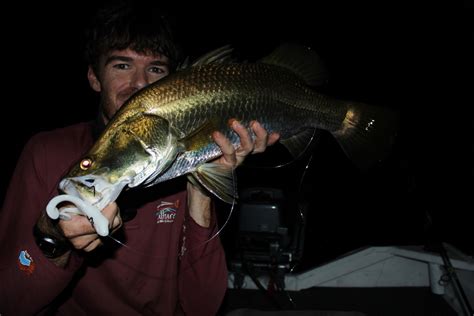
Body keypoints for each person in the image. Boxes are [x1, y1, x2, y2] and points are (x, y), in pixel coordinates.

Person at [0, 2, 279, 315]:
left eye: (156, 69)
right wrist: (53, 237)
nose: (140, 84)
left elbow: (201, 307)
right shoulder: (46, 152)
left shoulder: (183, 161)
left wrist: (201, 186)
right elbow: (11, 300)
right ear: (94, 77)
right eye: (122, 66)